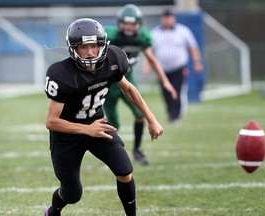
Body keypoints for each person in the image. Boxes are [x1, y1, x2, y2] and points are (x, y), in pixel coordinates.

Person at [43, 18, 164, 216]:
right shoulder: (61, 74)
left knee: (124, 170)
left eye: (95, 45)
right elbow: (51, 121)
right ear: (73, 48)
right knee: (73, 193)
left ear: (103, 45)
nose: (90, 52)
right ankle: (53, 211)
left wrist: (151, 118)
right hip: (67, 135)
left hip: (98, 125)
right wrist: (86, 129)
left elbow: (128, 88)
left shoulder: (114, 59)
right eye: (84, 47)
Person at [104, 4, 177, 165]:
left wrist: (165, 81)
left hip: (127, 80)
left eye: (132, 23)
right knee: (113, 124)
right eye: (126, 23)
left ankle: (137, 150)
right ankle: (112, 154)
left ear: (138, 24)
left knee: (140, 115)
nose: (129, 27)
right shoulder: (111, 36)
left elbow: (151, 58)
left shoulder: (142, 37)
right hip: (108, 84)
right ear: (120, 23)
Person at [150, 8, 203, 123]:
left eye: (169, 17)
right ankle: (170, 112)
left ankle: (176, 114)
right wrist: (147, 66)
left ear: (173, 18)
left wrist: (197, 62)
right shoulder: (155, 33)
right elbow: (149, 51)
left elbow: (193, 47)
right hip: (162, 69)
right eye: (165, 17)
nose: (167, 20)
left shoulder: (183, 31)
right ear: (161, 19)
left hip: (178, 67)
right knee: (165, 92)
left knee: (177, 90)